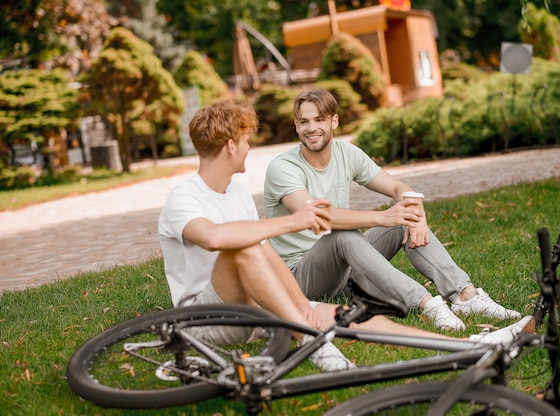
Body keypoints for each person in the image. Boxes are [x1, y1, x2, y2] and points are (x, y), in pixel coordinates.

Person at [158, 101, 533, 374]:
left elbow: (262, 250)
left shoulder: (237, 192)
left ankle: (471, 346)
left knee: (349, 319)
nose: (248, 148)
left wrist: (298, 299)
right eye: (245, 140)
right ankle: (310, 340)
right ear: (230, 146)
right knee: (242, 250)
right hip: (204, 317)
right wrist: (293, 224)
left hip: (259, 304)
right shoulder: (184, 198)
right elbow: (213, 238)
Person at [264, 88, 523, 332]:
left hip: (344, 270)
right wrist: (382, 216)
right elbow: (318, 216)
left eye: (319, 120)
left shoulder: (347, 153)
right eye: (304, 122)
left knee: (402, 219)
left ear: (334, 121)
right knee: (343, 233)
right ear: (296, 126)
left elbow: (399, 187)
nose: (311, 128)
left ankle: (464, 295)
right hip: (299, 278)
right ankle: (426, 304)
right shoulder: (283, 167)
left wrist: (415, 213)